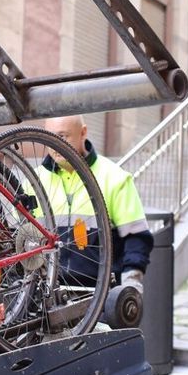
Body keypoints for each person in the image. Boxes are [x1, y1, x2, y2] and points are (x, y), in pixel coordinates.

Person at [43, 115, 153, 294]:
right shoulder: (33, 181)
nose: (55, 145)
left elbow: (136, 237)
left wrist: (131, 284)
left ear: (83, 132)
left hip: (101, 294)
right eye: (49, 137)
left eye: (62, 137)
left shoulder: (115, 177)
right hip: (47, 296)